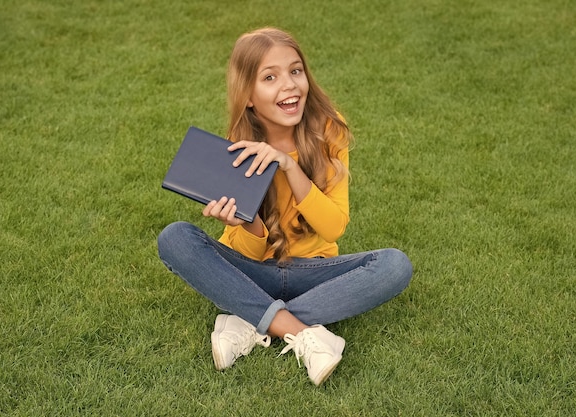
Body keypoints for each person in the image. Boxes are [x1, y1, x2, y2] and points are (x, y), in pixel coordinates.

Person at [158, 27, 412, 386]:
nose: (289, 85)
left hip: (314, 273)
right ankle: (303, 333)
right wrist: (245, 223)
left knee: (394, 265)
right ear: (248, 96)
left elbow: (334, 227)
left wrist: (289, 166)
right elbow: (246, 248)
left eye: (295, 71)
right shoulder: (241, 146)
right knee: (175, 238)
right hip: (256, 270)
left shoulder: (329, 131)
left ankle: (249, 318)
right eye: (270, 77)